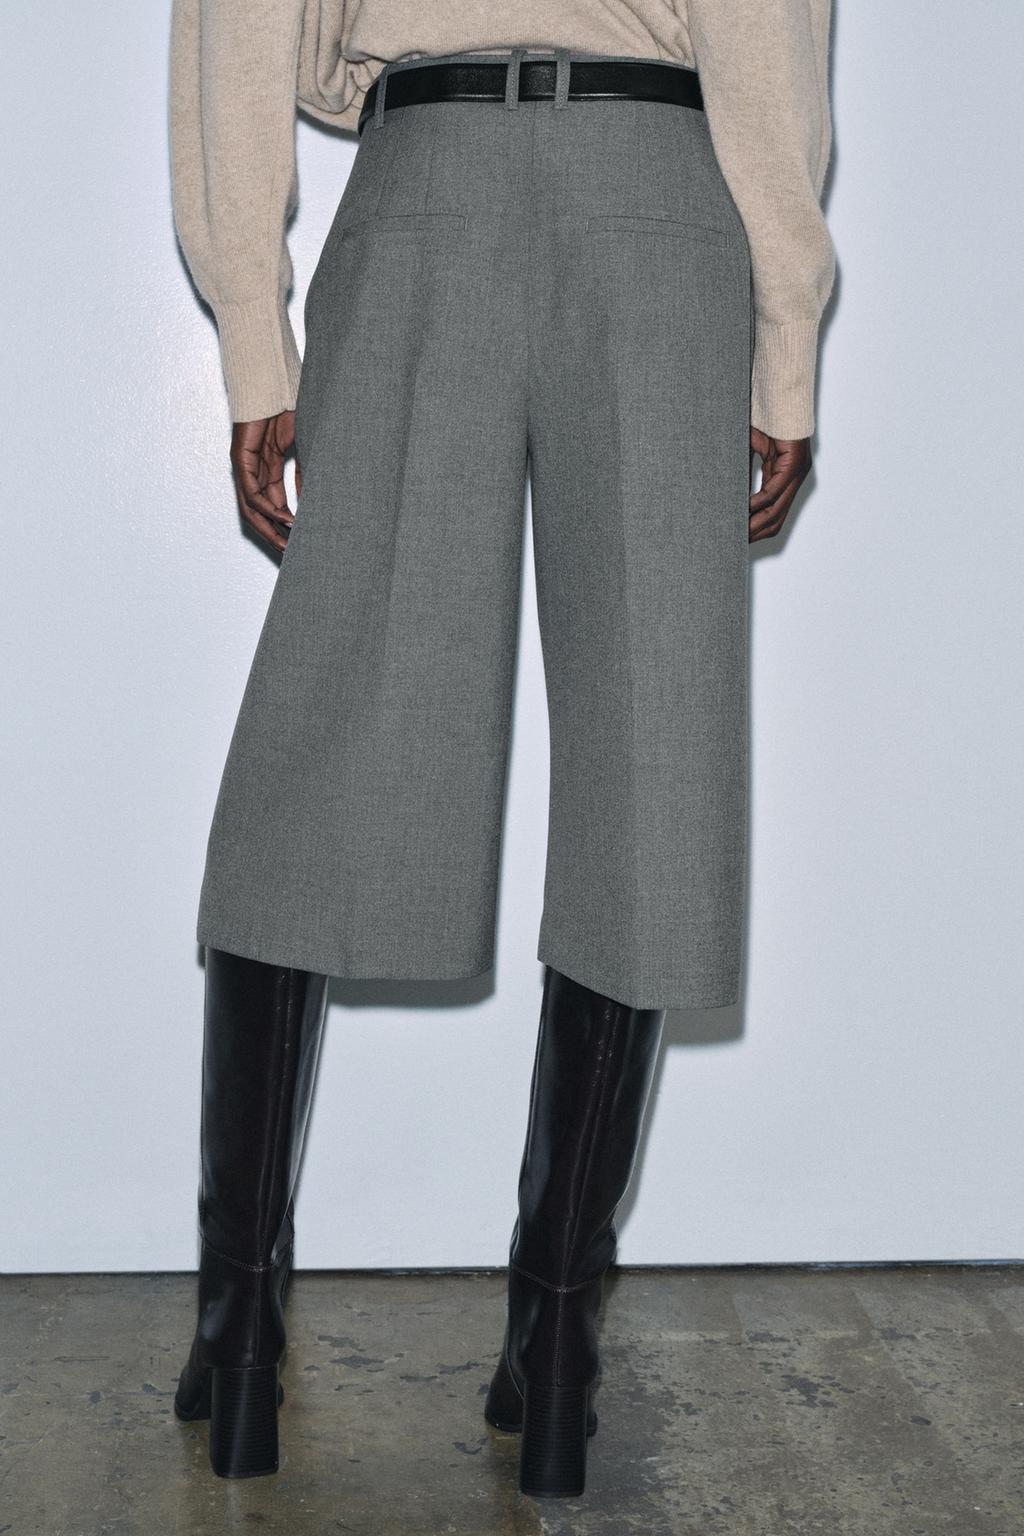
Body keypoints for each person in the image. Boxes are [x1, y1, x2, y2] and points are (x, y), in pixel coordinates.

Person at [167, 0, 835, 1498]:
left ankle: (241, 1326)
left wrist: (254, 329)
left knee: (328, 747)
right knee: (654, 766)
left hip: (428, 182)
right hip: (663, 202)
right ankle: (556, 1347)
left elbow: (236, 21)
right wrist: (786, 332)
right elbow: (766, 27)